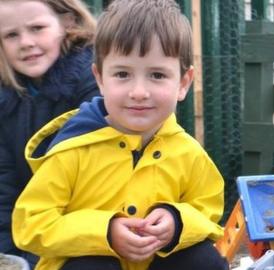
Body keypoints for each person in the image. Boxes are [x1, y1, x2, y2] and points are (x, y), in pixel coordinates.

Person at [11, 0, 228, 269]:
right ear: (100, 78)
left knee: (204, 259)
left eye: (157, 75)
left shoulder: (188, 152)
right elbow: (31, 223)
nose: (139, 91)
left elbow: (208, 209)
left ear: (183, 83)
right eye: (123, 74)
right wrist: (104, 231)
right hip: (88, 262)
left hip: (153, 261)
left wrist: (177, 221)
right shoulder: (72, 149)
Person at [0, 0, 98, 268]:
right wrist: (12, 256)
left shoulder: (94, 85)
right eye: (11, 34)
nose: (26, 42)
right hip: (32, 236)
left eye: (37, 28)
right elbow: (4, 187)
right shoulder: (6, 98)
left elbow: (92, 187)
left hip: (93, 236)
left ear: (67, 22)